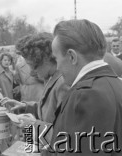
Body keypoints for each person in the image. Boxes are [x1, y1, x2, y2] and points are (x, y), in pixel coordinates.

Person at [50, 19, 122, 155]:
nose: (58, 67)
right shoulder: (117, 84)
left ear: (72, 56)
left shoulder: (85, 95)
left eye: (56, 59)